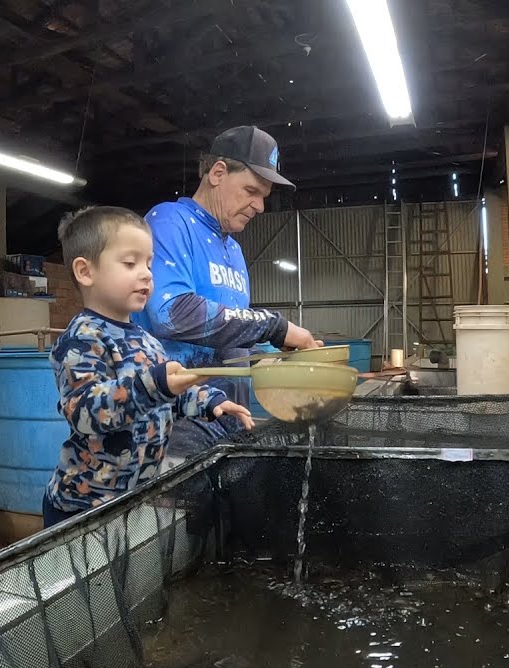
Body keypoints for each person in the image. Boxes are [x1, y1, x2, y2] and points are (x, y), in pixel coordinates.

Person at [42, 206, 254, 528]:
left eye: (149, 264)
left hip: (133, 498)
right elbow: (86, 411)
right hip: (83, 508)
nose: (146, 274)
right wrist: (153, 384)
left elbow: (170, 392)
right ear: (86, 271)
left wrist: (209, 401)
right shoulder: (83, 339)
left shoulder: (147, 339)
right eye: (130, 263)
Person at [135, 125, 322, 454]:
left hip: (230, 418)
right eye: (251, 190)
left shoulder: (233, 251)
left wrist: (279, 363)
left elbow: (230, 341)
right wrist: (275, 326)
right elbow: (171, 314)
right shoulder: (169, 222)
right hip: (177, 422)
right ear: (218, 172)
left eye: (263, 196)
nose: (259, 206)